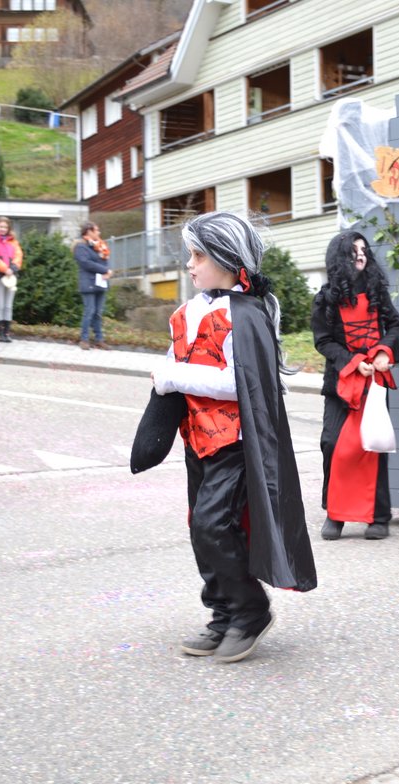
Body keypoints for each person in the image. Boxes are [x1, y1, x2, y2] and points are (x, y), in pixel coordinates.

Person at [148, 211, 316, 662]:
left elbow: (240, 383)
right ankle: (223, 613)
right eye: (190, 254)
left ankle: (250, 611)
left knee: (214, 524)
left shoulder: (246, 314)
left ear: (226, 259)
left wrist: (172, 376)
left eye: (198, 255)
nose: (190, 264)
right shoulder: (186, 313)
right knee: (200, 527)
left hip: (236, 442)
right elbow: (176, 362)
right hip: (196, 439)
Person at [311, 231, 399, 541]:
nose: (361, 255)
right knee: (332, 443)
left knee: (373, 446)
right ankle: (335, 514)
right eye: (354, 251)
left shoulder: (377, 290)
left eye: (364, 249)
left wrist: (383, 351)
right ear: (341, 257)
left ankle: (379, 517)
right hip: (341, 381)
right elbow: (323, 341)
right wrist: (352, 361)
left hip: (374, 382)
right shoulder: (325, 298)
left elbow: (395, 325)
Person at [74, 221, 111, 350]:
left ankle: (99, 339)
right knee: (89, 311)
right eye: (96, 230)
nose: (99, 233)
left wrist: (107, 272)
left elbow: (104, 261)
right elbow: (86, 263)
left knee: (98, 313)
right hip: (88, 283)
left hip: (100, 282)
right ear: (89, 231)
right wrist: (105, 270)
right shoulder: (81, 247)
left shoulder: (100, 246)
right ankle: (84, 339)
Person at [0, 217, 22, 342]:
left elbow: (18, 256)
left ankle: (7, 331)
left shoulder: (13, 242)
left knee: (8, 305)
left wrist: (13, 268)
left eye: (5, 227)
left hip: (11, 276)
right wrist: (4, 269)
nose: (3, 229)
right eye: (1, 226)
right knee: (0, 304)